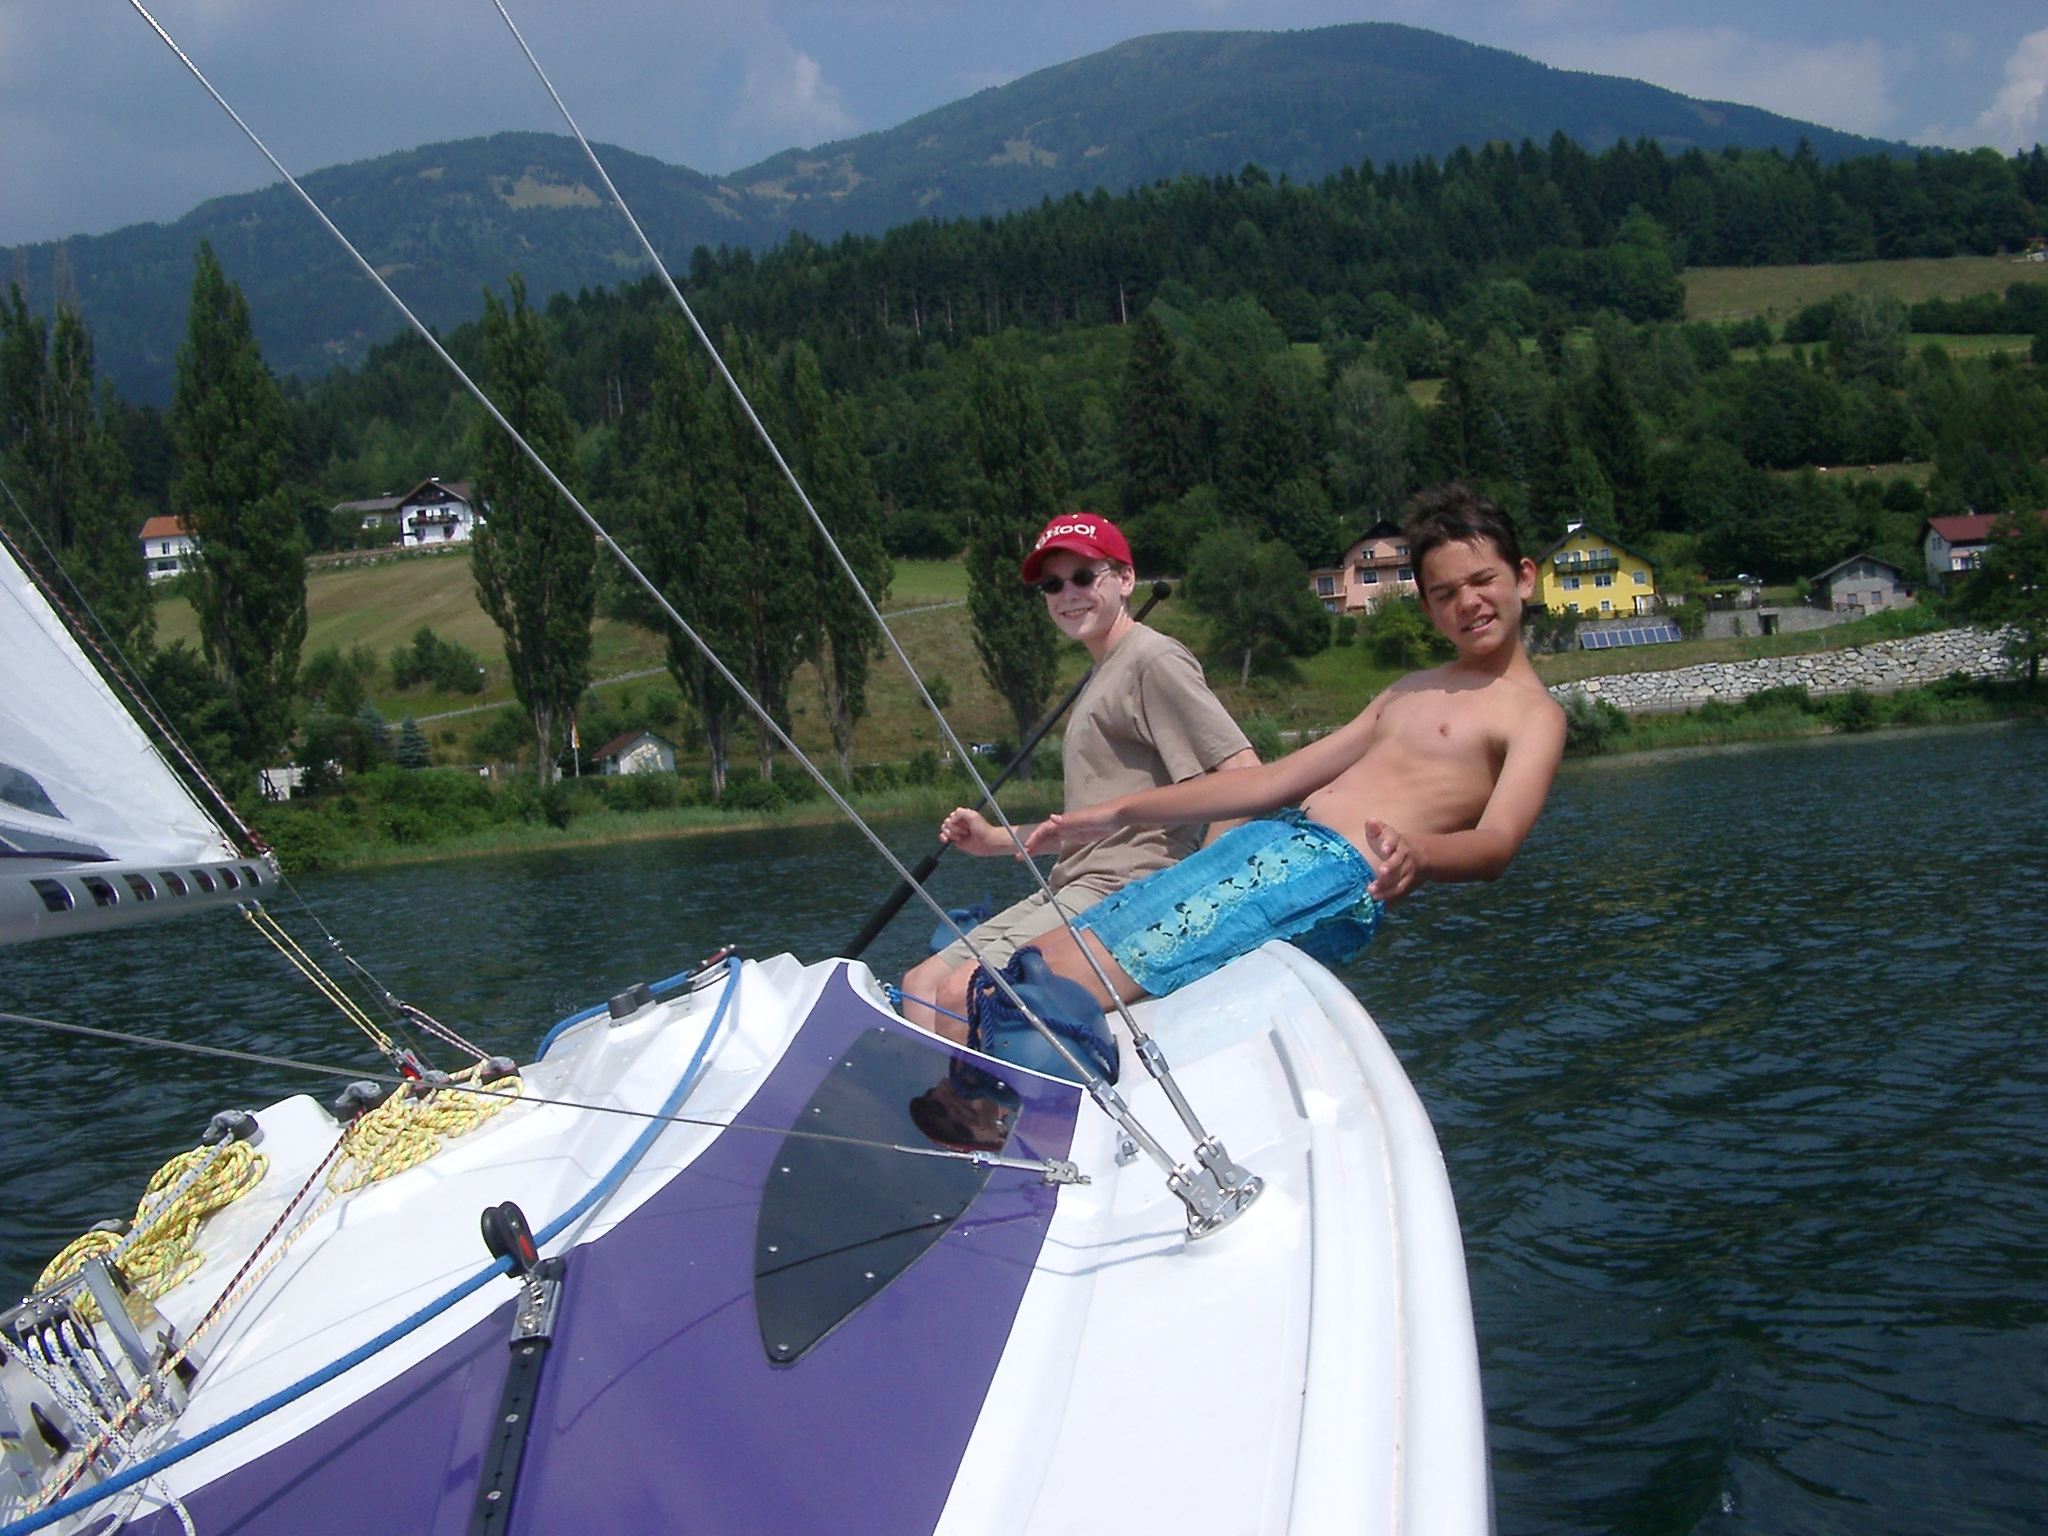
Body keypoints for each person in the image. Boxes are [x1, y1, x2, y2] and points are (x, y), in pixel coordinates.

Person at [948, 484, 1566, 1023]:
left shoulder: (1533, 714)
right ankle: (977, 1106)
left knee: (1028, 991)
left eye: (1482, 581)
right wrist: (1117, 813)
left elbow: (1495, 845)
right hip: (1267, 840)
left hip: (1333, 872)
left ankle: (994, 1099)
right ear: (1427, 607)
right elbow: (1272, 780)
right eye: (1446, 592)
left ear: (1524, 577)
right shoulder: (1408, 690)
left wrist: (1421, 854)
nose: (1468, 602)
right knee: (1010, 972)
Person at [900, 512, 1258, 1040]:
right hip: (1073, 883)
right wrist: (993, 840)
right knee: (920, 984)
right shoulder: (1102, 673)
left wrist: (1196, 894)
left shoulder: (1153, 660)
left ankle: (979, 1094)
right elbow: (1088, 829)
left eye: (1084, 577)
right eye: (1052, 584)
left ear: (1125, 580)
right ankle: (955, 1089)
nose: (1067, 594)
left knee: (962, 992)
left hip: (1126, 888)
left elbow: (1244, 777)